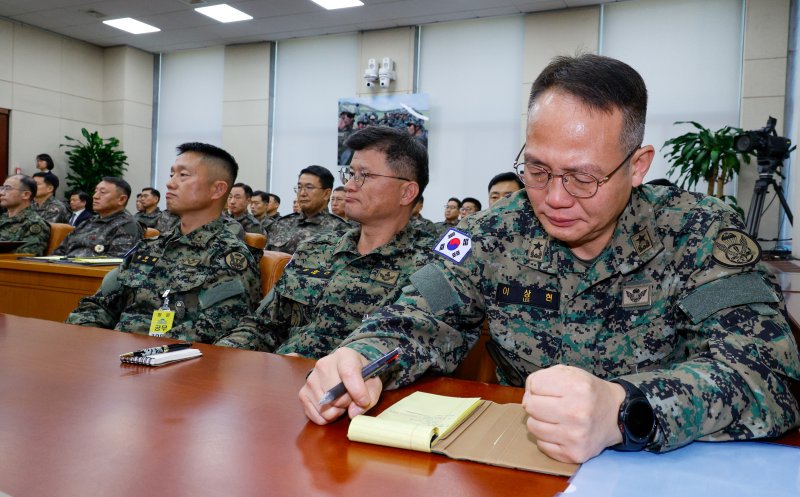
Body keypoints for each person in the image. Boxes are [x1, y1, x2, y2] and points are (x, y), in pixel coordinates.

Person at [298, 54, 800, 464]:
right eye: (537, 169)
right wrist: (364, 356)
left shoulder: (699, 233)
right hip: (518, 462)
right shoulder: (493, 232)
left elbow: (771, 378)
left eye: (583, 178)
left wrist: (626, 408)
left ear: (638, 166)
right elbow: (417, 316)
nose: (554, 197)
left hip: (661, 467)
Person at [215, 126, 435, 354]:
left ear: (407, 192)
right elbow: (263, 326)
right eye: (351, 174)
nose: (349, 185)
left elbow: (429, 345)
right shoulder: (316, 250)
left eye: (364, 176)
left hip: (358, 383)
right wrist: (220, 357)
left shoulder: (433, 266)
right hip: (282, 378)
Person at [67, 142, 262, 343]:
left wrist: (140, 349)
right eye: (171, 175)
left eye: (183, 175)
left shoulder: (228, 257)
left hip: (169, 361)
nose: (170, 183)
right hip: (115, 354)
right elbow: (99, 305)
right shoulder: (151, 247)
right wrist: (87, 337)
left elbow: (215, 330)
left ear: (217, 190)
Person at [266, 165, 349, 255]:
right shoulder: (280, 224)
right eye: (299, 187)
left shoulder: (340, 230)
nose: (302, 193)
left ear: (326, 193)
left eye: (309, 188)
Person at [52, 177, 142, 257]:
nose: (95, 196)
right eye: (95, 191)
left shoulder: (127, 225)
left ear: (121, 199)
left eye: (102, 192)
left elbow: (116, 264)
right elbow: (59, 252)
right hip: (64, 270)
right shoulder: (86, 223)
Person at [0, 175, 50, 255]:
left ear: (26, 195)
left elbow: (26, 257)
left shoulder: (33, 223)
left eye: (8, 188)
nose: (1, 193)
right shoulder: (2, 218)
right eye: (2, 188)